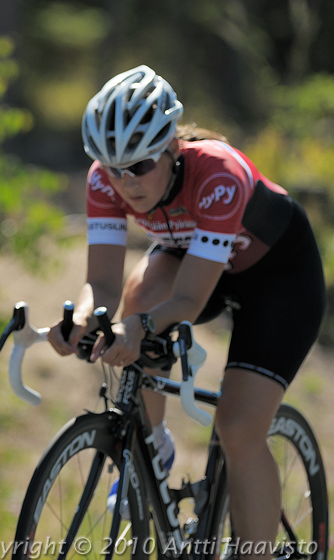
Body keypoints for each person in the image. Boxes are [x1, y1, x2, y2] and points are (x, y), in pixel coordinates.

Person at [47, 65, 324, 560]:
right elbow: (104, 283)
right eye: (112, 168)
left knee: (238, 429)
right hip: (194, 260)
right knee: (143, 288)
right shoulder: (105, 181)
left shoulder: (218, 173)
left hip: (276, 281)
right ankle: (151, 446)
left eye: (138, 166)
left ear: (173, 147)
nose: (124, 182)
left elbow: (190, 302)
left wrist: (138, 327)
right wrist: (85, 318)